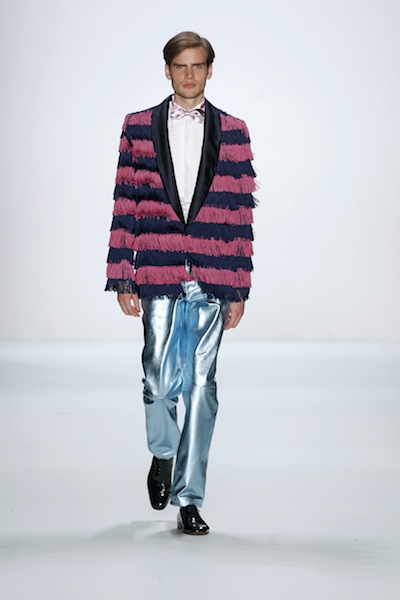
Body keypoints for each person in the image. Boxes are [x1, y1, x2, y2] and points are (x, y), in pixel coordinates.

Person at [106, 31, 256, 535]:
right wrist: (120, 272)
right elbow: (125, 202)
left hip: (213, 274)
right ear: (167, 70)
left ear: (210, 70)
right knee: (156, 378)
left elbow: (240, 212)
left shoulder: (234, 131)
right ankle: (163, 451)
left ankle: (190, 499)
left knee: (201, 386)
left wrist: (239, 286)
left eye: (197, 65)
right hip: (158, 267)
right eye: (180, 66)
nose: (189, 75)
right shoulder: (137, 127)